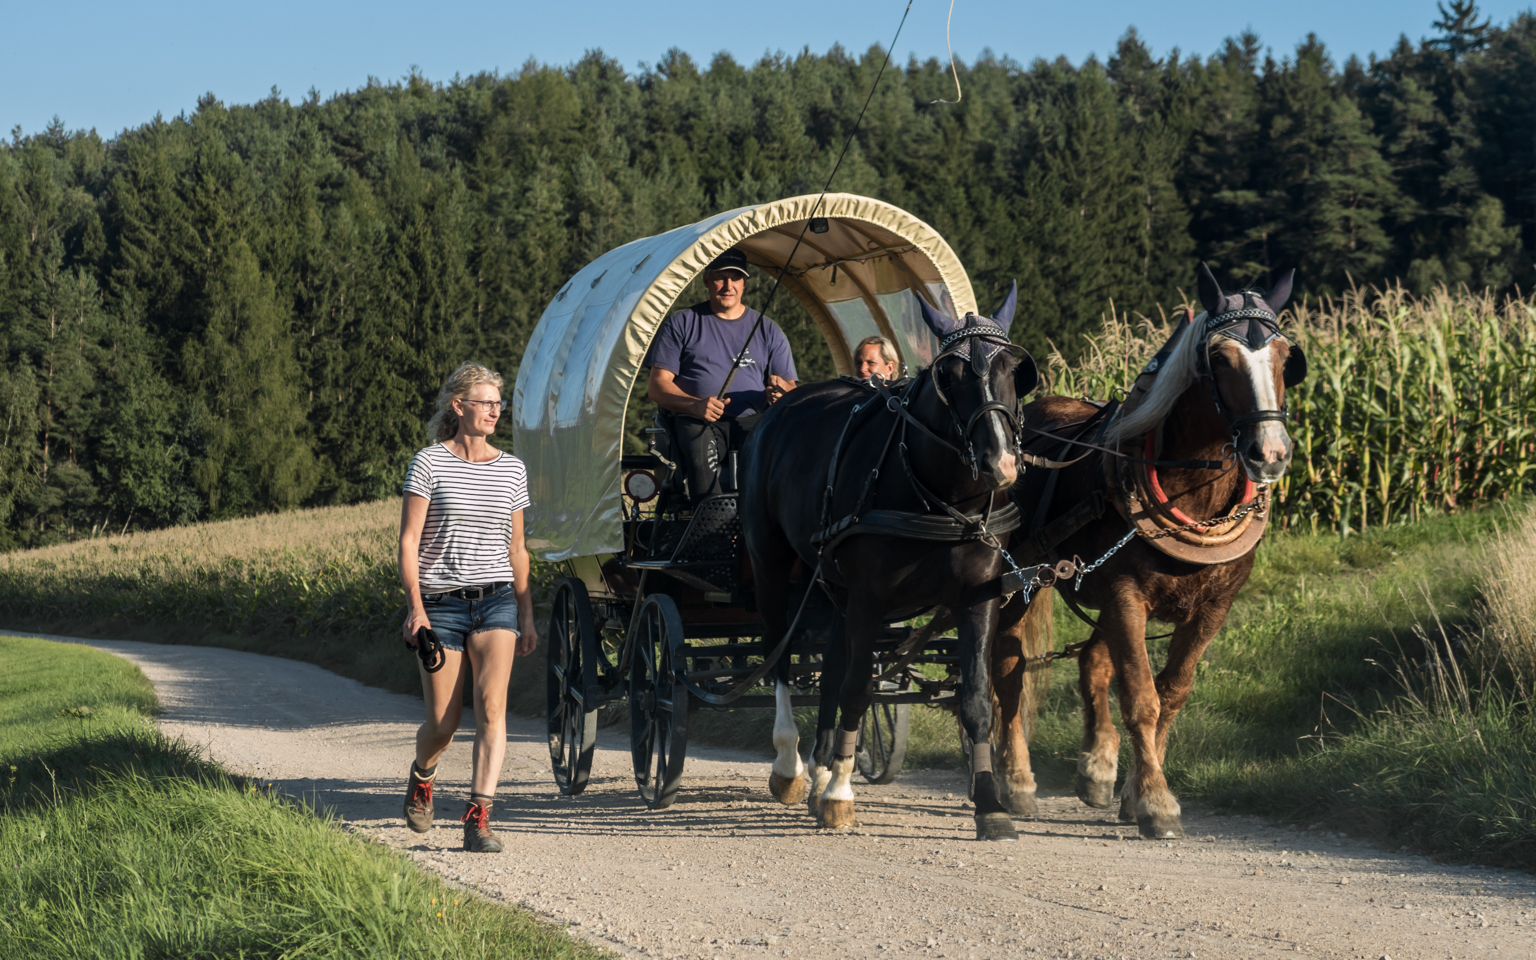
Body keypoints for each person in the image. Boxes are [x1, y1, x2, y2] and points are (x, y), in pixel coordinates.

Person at [398, 362, 538, 854]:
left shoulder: (513, 468)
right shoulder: (429, 463)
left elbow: (517, 548)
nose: (495, 411)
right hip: (441, 607)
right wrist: (416, 609)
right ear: (459, 407)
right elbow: (410, 541)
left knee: (493, 707)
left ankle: (478, 818)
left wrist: (526, 611)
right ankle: (423, 775)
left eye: (500, 403)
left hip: (496, 600)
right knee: (443, 723)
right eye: (486, 402)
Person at [645, 248, 798, 503]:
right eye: (720, 277)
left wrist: (781, 392)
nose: (728, 286)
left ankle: (768, 525)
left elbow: (790, 389)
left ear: (744, 283)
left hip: (751, 420)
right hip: (697, 420)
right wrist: (695, 405)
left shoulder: (768, 330)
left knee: (784, 450)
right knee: (699, 453)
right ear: (706, 280)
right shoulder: (682, 323)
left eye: (735, 278)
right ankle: (711, 528)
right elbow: (657, 387)